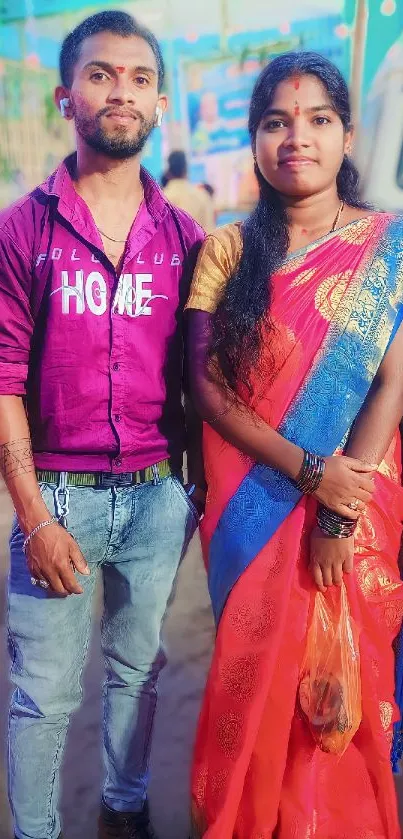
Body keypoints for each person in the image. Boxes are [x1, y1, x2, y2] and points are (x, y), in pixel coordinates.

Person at [185, 52, 403, 838]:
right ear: (253, 139)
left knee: (339, 698)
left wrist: (337, 516)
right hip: (261, 512)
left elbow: (389, 383)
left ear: (347, 135)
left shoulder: (389, 247)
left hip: (353, 512)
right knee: (264, 686)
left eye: (316, 120)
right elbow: (206, 389)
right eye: (275, 121)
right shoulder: (228, 252)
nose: (295, 138)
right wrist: (309, 473)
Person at [0, 10, 206, 839]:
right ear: (65, 96)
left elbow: (204, 380)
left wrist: (189, 493)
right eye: (100, 74)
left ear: (159, 104)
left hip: (157, 498)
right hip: (55, 496)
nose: (120, 90)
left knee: (137, 672)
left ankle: (124, 812)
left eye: (139, 77)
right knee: (42, 693)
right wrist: (34, 515)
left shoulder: (186, 238)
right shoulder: (23, 230)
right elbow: (3, 380)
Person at [163, 150, 215, 232]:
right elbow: (210, 234)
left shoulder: (160, 199)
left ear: (168, 172)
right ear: (185, 170)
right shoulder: (203, 196)